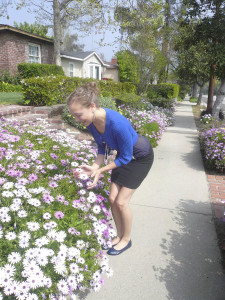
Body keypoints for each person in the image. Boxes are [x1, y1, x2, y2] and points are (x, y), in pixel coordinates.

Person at [67, 82, 154, 256]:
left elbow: (126, 158)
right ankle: (119, 235)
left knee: (122, 202)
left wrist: (100, 171)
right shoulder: (91, 122)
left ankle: (126, 240)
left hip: (139, 158)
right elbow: (102, 147)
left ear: (92, 106)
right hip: (123, 156)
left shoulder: (117, 123)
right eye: (74, 116)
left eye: (78, 115)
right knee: (112, 199)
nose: (77, 120)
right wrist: (94, 167)